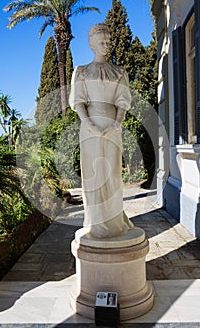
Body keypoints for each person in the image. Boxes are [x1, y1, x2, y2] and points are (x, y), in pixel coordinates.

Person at [69, 23, 134, 238]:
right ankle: (96, 222)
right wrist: (88, 123)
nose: (106, 45)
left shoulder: (119, 72)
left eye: (108, 42)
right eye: (102, 42)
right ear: (91, 44)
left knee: (112, 174)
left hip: (113, 128)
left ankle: (114, 220)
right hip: (89, 129)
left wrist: (117, 124)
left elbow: (122, 101)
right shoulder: (81, 72)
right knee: (93, 175)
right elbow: (78, 102)